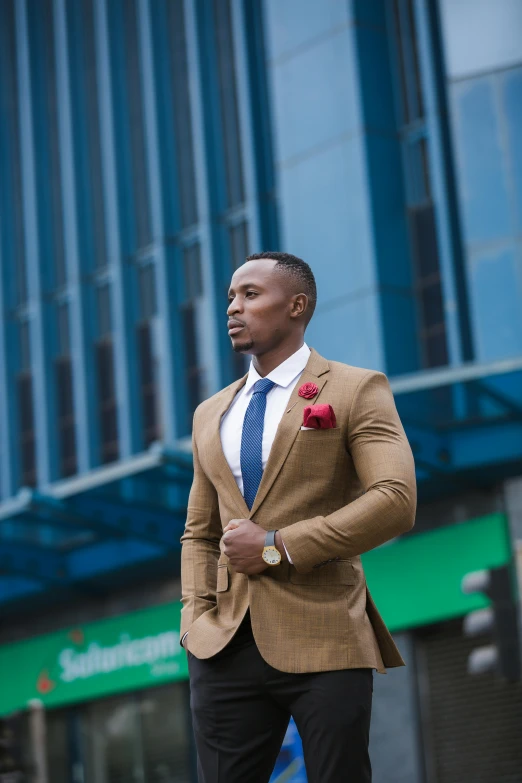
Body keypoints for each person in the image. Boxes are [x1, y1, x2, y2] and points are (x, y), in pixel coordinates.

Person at [180, 252, 417, 783]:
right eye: (230, 298)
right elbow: (200, 532)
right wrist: (193, 621)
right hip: (223, 644)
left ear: (297, 305)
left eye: (250, 295)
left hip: (325, 632)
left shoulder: (355, 388)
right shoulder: (210, 412)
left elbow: (395, 498)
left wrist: (277, 545)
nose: (233, 309)